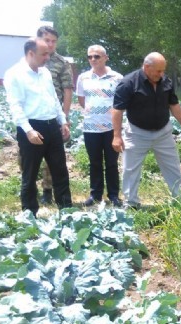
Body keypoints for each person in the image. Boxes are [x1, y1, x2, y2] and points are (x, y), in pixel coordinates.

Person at [111, 52, 181, 209]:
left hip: (163, 133)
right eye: (158, 71)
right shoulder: (128, 83)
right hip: (136, 133)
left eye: (163, 70)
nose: (161, 74)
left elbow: (173, 104)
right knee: (130, 169)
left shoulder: (165, 81)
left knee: (173, 167)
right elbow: (117, 110)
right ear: (147, 67)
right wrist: (116, 135)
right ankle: (131, 204)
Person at [4, 38, 72, 215]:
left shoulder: (45, 73)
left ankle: (66, 209)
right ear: (30, 53)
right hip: (32, 128)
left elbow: (54, 99)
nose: (47, 57)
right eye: (44, 54)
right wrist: (28, 130)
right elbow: (16, 105)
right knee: (30, 173)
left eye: (49, 53)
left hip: (52, 126)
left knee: (60, 170)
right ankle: (30, 213)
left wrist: (62, 121)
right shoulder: (15, 74)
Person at [75, 45, 123, 207]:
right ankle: (95, 195)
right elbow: (82, 100)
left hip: (111, 127)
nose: (93, 60)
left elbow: (121, 102)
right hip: (90, 127)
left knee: (111, 163)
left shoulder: (117, 77)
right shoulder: (83, 78)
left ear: (105, 58)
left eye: (97, 56)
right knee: (94, 162)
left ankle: (114, 195)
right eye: (90, 57)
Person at [35, 25, 74, 204]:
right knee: (25, 156)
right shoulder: (30, 59)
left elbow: (67, 90)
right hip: (32, 116)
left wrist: (64, 117)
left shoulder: (61, 62)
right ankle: (29, 187)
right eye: (47, 40)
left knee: (53, 158)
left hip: (54, 116)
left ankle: (48, 191)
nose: (50, 44)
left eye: (53, 41)